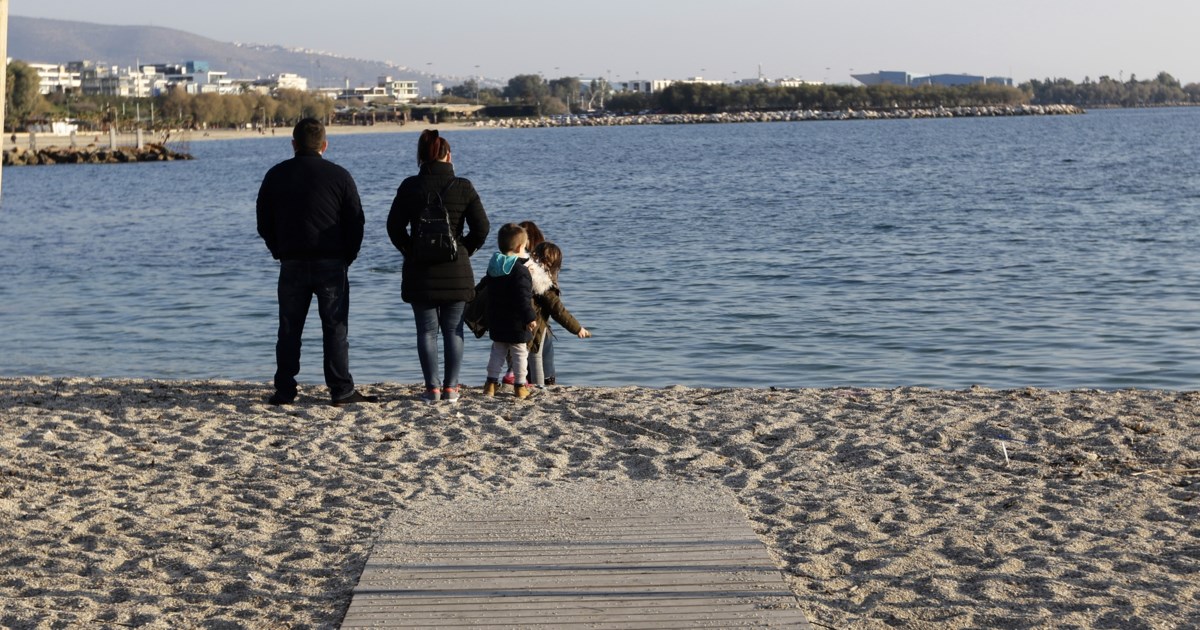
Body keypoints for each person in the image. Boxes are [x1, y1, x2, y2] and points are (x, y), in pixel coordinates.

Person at [256, 118, 377, 407]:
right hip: (331, 262)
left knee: (289, 329)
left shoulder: (276, 174)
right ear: (325, 145)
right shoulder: (339, 176)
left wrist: (277, 249)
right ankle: (340, 389)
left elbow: (263, 220)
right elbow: (356, 221)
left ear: (294, 144)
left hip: (292, 261)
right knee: (335, 327)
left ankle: (285, 390)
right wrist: (348, 256)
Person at [387, 130, 490, 403]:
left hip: (419, 271)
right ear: (448, 156)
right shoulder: (463, 186)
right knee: (454, 330)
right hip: (456, 270)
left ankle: (432, 389)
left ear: (421, 157)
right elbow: (482, 228)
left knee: (426, 331)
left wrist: (410, 250)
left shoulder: (410, 186)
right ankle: (451, 389)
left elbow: (394, 228)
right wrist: (464, 249)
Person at [481, 224, 538, 399]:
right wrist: (530, 317)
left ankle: (490, 384)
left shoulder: (493, 266)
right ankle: (520, 385)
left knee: (497, 351)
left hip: (496, 318)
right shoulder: (520, 271)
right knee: (520, 352)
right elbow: (523, 297)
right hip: (516, 321)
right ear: (520, 247)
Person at [526, 241, 591, 387]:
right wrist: (577, 328)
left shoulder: (525, 272)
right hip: (535, 325)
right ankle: (540, 385)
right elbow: (558, 310)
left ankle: (516, 382)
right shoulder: (543, 284)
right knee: (536, 356)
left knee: (519, 356)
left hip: (519, 322)